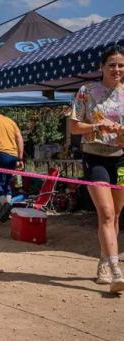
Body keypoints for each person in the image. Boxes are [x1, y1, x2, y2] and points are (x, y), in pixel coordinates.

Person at [68, 45, 124, 294]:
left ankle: (103, 260)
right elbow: (74, 128)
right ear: (101, 67)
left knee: (118, 213)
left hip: (121, 160)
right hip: (95, 158)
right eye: (111, 64)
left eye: (121, 65)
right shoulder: (86, 91)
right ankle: (115, 270)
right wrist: (96, 126)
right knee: (106, 212)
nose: (117, 69)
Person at [0, 113, 24, 221]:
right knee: (7, 183)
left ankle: (5, 205)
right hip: (13, 156)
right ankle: (7, 212)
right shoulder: (10, 122)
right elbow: (19, 138)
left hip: (0, 154)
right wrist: (20, 158)